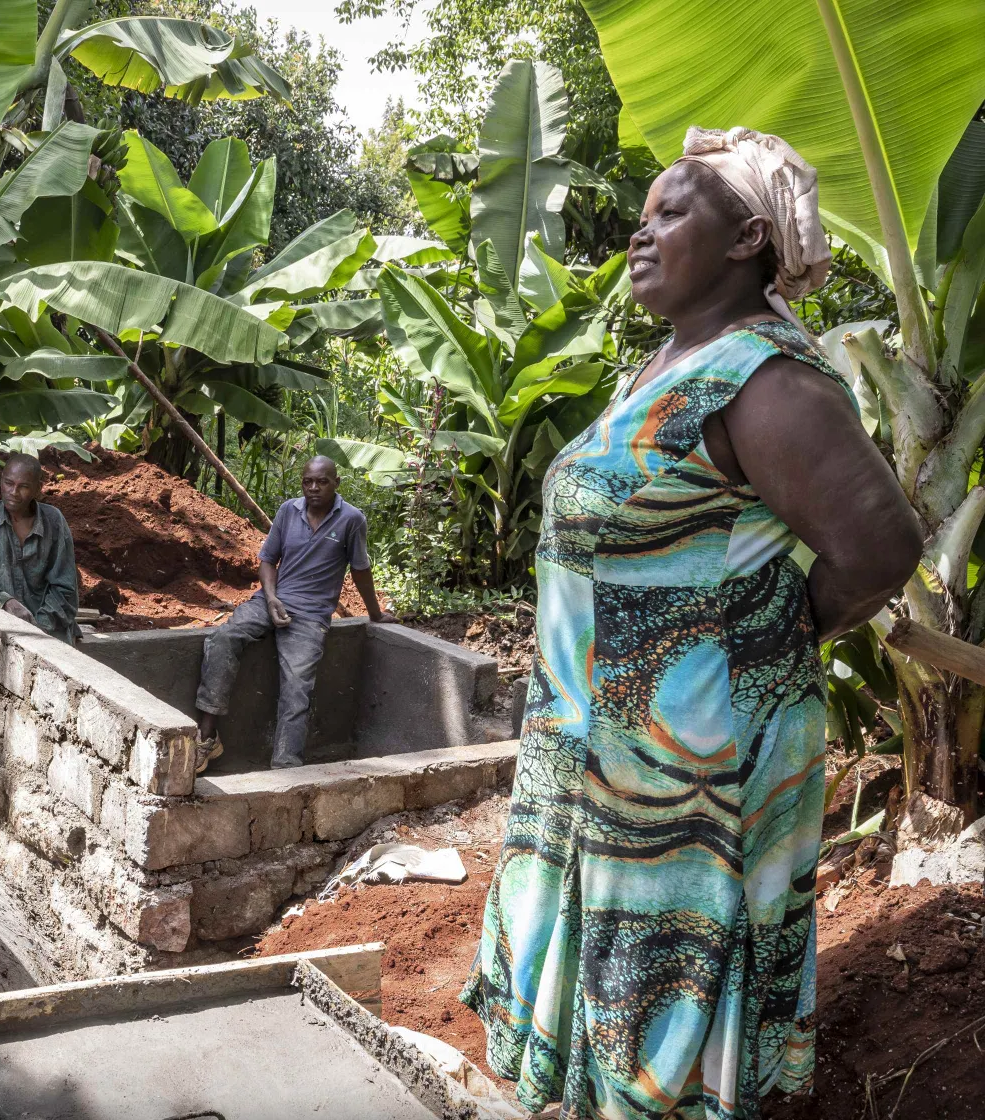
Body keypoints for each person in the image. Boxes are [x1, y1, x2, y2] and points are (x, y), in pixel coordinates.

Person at [461, 127, 923, 1119]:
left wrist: (758, 639)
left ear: (750, 236)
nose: (642, 233)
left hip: (693, 764)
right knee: (618, 988)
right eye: (642, 216)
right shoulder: (671, 362)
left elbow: (880, 551)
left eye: (672, 212)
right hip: (607, 744)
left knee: (666, 996)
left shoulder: (765, 380)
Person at [193, 456, 396, 771]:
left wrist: (375, 614)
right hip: (271, 601)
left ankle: (285, 769)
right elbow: (267, 560)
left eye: (322, 481)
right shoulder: (289, 511)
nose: (314, 488)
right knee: (223, 638)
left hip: (311, 616)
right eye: (308, 481)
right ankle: (207, 737)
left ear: (336, 483)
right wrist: (271, 598)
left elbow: (360, 570)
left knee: (297, 685)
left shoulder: (351, 520)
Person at [0, 452, 80, 643]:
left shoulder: (54, 522)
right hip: (0, 634)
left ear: (38, 489)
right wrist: (4, 601)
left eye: (24, 486)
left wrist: (37, 627)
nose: (13, 492)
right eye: (8, 483)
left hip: (50, 633)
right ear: (1, 481)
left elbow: (65, 589)